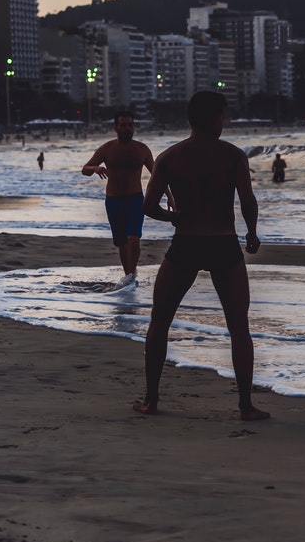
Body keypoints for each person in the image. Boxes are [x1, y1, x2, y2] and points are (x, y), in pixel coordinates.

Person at [136, 90, 268, 421]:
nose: (224, 122)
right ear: (212, 119)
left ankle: (151, 400)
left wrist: (173, 218)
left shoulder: (170, 157)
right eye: (222, 116)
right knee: (239, 327)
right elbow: (247, 200)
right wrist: (252, 233)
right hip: (224, 244)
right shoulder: (233, 156)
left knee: (160, 321)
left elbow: (148, 206)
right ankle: (245, 405)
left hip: (186, 243)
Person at [81, 110, 160, 288]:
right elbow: (84, 169)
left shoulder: (142, 149)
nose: (127, 128)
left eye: (130, 125)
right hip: (114, 201)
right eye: (123, 125)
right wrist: (95, 168)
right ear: (116, 127)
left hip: (135, 200)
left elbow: (157, 175)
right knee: (122, 243)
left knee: (134, 238)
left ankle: (131, 277)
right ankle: (129, 275)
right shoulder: (107, 148)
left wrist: (170, 197)